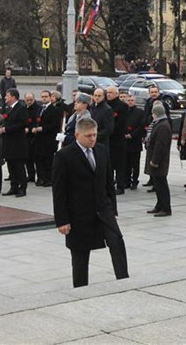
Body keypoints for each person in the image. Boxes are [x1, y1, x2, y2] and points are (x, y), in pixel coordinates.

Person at [53, 117, 129, 288]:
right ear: (77, 134)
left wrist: (113, 209)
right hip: (79, 213)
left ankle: (124, 280)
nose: (93, 139)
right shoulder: (64, 156)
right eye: (88, 136)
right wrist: (62, 220)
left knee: (117, 242)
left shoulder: (102, 150)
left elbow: (109, 182)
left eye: (94, 135)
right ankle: (80, 289)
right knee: (80, 254)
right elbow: (59, 191)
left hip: (103, 209)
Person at [0, 88, 29, 197]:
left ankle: (22, 188)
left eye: (7, 95)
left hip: (18, 143)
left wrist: (7, 129)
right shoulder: (7, 108)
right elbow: (6, 121)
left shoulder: (21, 108)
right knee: (11, 166)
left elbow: (22, 124)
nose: (5, 97)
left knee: (19, 167)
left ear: (13, 97)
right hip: (8, 143)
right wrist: (2, 128)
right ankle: (13, 187)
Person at [144, 104, 172, 217]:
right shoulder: (159, 124)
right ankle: (159, 205)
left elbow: (161, 145)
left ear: (155, 114)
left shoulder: (163, 126)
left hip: (159, 162)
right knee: (158, 185)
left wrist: (155, 161)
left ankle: (166, 208)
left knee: (162, 185)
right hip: (156, 160)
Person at [32, 91, 62, 187]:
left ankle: (48, 179)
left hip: (49, 139)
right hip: (38, 138)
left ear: (50, 97)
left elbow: (55, 124)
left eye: (46, 96)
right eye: (42, 97)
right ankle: (41, 177)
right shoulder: (40, 108)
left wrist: (43, 128)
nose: (44, 98)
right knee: (38, 159)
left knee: (48, 160)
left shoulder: (54, 109)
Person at [106, 86, 129, 195]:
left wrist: (110, 130)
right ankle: (110, 185)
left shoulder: (122, 106)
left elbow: (121, 123)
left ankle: (120, 186)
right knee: (109, 164)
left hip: (118, 139)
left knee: (119, 164)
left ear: (116, 94)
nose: (108, 94)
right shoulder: (105, 105)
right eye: (107, 92)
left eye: (110, 93)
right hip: (108, 140)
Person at [123, 95, 146, 190]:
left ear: (135, 101)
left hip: (135, 141)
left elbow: (141, 126)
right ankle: (127, 181)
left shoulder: (140, 112)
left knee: (135, 164)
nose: (130, 102)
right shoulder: (124, 112)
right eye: (128, 100)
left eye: (132, 100)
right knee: (126, 163)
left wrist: (132, 135)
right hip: (124, 141)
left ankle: (134, 181)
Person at [23, 92, 41, 184]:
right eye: (27, 100)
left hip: (34, 136)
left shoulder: (37, 108)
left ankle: (39, 176)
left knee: (35, 157)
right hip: (25, 136)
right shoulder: (24, 108)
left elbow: (36, 122)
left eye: (31, 100)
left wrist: (30, 128)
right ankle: (30, 175)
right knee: (27, 157)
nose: (29, 102)